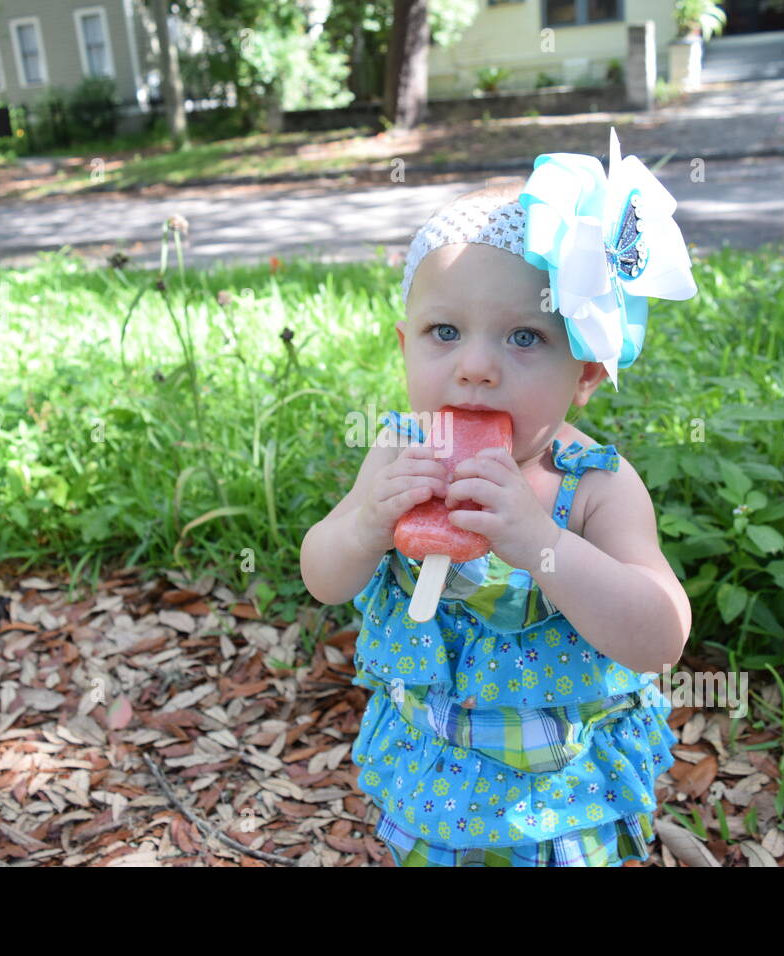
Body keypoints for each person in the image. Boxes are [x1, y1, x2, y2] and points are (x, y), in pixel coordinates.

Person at [300, 130, 698, 865]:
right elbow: (323, 577)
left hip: (562, 797)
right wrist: (365, 524)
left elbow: (661, 633)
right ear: (404, 345)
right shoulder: (398, 450)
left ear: (586, 372)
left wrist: (541, 544)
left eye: (525, 338)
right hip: (437, 771)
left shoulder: (592, 482)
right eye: (444, 332)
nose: (476, 367)